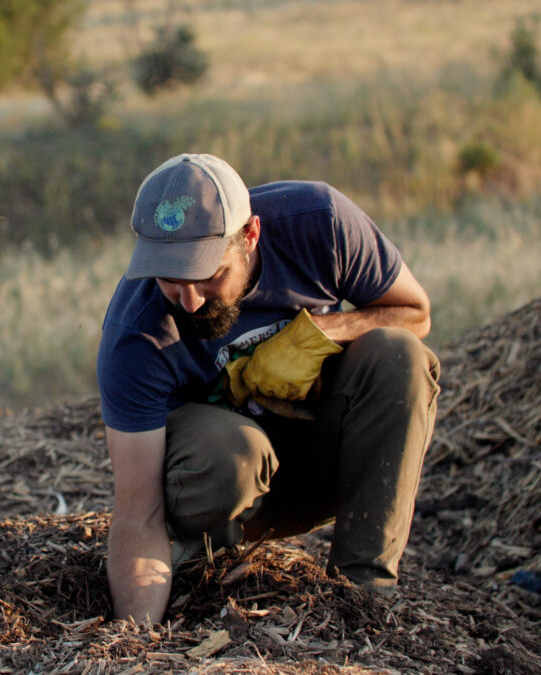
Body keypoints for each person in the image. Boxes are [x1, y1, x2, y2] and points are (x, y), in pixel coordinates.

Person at [96, 153, 440, 624]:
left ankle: (363, 597)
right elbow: (138, 512)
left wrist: (320, 332)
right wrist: (133, 641)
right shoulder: (136, 334)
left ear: (251, 236)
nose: (190, 300)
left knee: (398, 355)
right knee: (231, 450)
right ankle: (198, 563)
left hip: (323, 462)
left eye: (209, 275)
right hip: (225, 493)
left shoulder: (320, 223)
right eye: (170, 280)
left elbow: (415, 314)